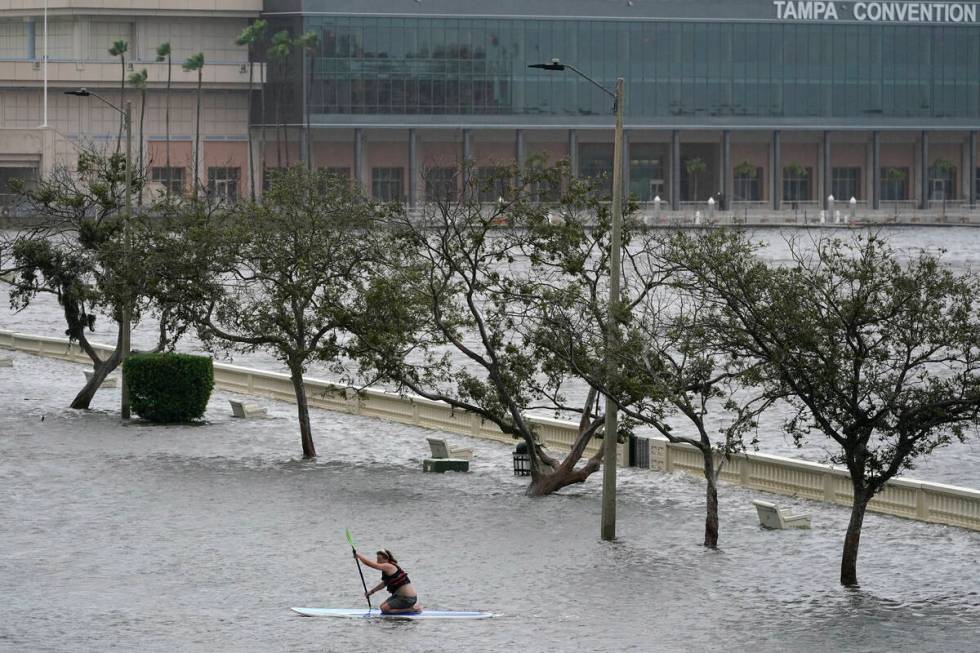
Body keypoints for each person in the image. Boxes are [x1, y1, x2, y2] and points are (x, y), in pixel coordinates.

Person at [354, 548, 422, 614]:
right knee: (382, 607)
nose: (378, 562)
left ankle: (411, 609)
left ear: (386, 559)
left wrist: (359, 556)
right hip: (399, 596)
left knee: (385, 609)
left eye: (379, 559)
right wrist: (371, 592)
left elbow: (372, 565)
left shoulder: (389, 566)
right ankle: (408, 607)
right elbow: (384, 583)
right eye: (377, 559)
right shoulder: (387, 570)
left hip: (408, 598)